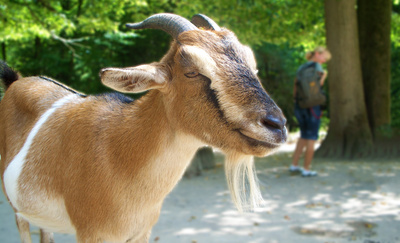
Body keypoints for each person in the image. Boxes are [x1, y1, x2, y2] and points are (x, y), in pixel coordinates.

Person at [290, 46, 331, 177]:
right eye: (324, 57)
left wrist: (297, 103)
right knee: (312, 137)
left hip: (300, 105)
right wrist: (324, 77)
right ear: (317, 54)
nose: (324, 60)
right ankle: (306, 169)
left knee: (303, 136)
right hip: (313, 106)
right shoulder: (318, 68)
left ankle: (294, 165)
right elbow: (318, 88)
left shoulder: (301, 68)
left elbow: (295, 86)